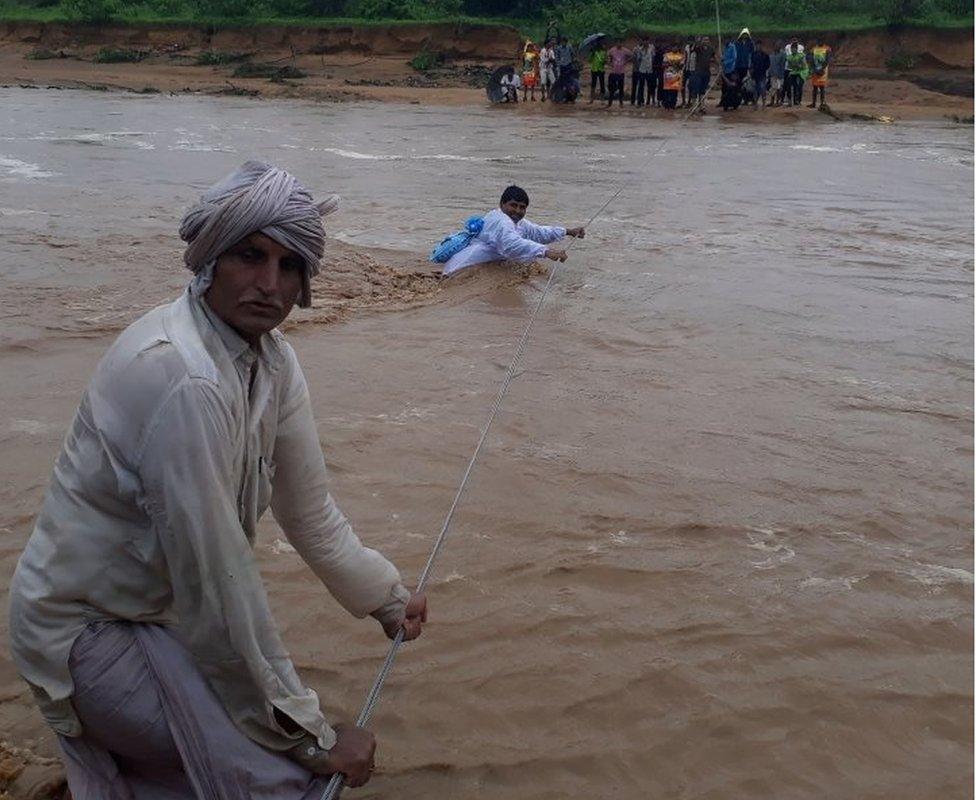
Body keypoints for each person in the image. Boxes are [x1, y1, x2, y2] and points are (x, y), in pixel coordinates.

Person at [7, 161, 430, 797]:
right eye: (249, 256)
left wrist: (385, 597)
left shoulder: (273, 362)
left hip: (160, 613)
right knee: (284, 778)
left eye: (290, 266)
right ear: (208, 261)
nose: (269, 284)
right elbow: (218, 583)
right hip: (85, 632)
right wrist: (311, 738)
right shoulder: (182, 378)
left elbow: (309, 513)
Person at [441, 186, 585, 278]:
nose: (517, 211)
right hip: (460, 270)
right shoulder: (501, 221)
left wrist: (568, 231)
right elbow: (511, 244)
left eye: (522, 207)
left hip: (469, 268)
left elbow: (538, 232)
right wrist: (546, 252)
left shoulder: (516, 222)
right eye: (513, 205)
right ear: (502, 204)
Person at [606, 40, 632, 108]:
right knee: (611, 88)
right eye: (617, 42)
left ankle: (621, 102)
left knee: (621, 88)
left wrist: (626, 61)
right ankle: (610, 103)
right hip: (613, 71)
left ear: (622, 43)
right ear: (616, 43)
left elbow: (632, 55)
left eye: (620, 42)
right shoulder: (612, 50)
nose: (619, 43)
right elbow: (607, 56)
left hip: (621, 72)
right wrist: (610, 62)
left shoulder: (625, 50)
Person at [690, 36, 714, 110]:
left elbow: (714, 57)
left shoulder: (710, 49)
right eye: (704, 40)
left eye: (707, 40)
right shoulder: (699, 48)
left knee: (703, 89)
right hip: (698, 72)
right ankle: (694, 105)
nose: (706, 42)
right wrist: (697, 42)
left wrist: (719, 65)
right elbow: (693, 50)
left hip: (706, 72)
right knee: (696, 88)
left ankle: (702, 105)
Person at [660, 41, 685, 110]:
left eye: (676, 47)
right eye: (674, 47)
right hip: (668, 75)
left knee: (674, 91)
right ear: (671, 48)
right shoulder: (667, 55)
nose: (675, 48)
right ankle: (666, 105)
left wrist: (676, 64)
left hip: (676, 75)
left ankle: (673, 105)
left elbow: (682, 65)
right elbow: (663, 64)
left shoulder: (681, 56)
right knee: (667, 91)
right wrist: (669, 64)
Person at [784, 39, 808, 107]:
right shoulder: (790, 57)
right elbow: (789, 66)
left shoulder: (801, 55)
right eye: (791, 49)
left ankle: (798, 100)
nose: (792, 50)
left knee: (799, 85)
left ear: (796, 49)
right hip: (794, 71)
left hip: (802, 71)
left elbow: (803, 65)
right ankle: (790, 100)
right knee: (790, 84)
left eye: (794, 49)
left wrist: (797, 65)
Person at [808, 38, 831, 108]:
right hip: (815, 70)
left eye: (821, 41)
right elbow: (811, 60)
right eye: (819, 41)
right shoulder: (813, 49)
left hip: (823, 71)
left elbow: (827, 60)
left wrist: (821, 68)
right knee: (814, 87)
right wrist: (814, 69)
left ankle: (822, 103)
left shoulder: (827, 49)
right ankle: (813, 103)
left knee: (822, 87)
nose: (820, 42)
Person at [750, 38, 770, 107]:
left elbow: (768, 64)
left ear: (761, 46)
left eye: (759, 45)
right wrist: (751, 71)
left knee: (762, 89)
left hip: (762, 74)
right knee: (755, 90)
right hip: (754, 75)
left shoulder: (765, 55)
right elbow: (751, 64)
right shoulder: (753, 54)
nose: (758, 47)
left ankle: (764, 102)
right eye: (757, 45)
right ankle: (755, 103)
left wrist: (763, 68)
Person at [767, 40, 786, 106]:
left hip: (779, 75)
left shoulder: (783, 54)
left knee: (778, 89)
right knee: (773, 88)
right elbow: (770, 65)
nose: (777, 46)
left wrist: (780, 74)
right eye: (776, 45)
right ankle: (772, 101)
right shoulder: (771, 54)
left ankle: (778, 102)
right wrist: (769, 73)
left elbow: (782, 65)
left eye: (778, 45)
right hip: (772, 74)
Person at [681, 35, 696, 107]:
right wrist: (683, 66)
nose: (690, 42)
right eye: (689, 41)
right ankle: (683, 101)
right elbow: (685, 57)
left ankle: (689, 101)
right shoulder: (686, 47)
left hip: (692, 69)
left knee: (690, 86)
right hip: (686, 68)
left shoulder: (696, 48)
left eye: (691, 41)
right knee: (682, 85)